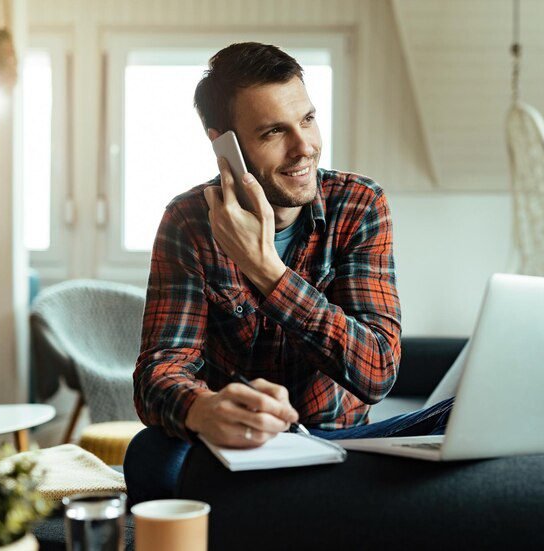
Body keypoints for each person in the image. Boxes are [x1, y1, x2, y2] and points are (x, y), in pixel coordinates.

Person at [124, 42, 454, 504]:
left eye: (308, 120)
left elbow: (377, 371)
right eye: (275, 131)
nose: (305, 148)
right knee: (148, 454)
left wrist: (267, 271)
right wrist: (204, 409)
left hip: (338, 442)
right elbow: (159, 373)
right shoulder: (188, 222)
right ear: (225, 145)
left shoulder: (358, 205)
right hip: (235, 446)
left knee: (456, 417)